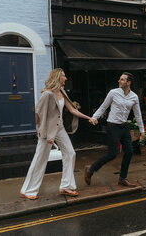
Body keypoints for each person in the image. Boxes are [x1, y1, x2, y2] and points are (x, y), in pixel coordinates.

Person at [20, 68, 95, 200]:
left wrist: (89, 118)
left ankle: (66, 186)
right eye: (64, 76)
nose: (66, 78)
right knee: (40, 159)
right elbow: (39, 116)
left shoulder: (61, 91)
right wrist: (46, 135)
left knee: (70, 153)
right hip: (47, 131)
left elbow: (72, 109)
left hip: (59, 128)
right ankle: (28, 190)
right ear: (57, 77)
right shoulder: (48, 94)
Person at [85, 72, 145, 187]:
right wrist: (94, 117)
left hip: (124, 127)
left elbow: (138, 115)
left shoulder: (134, 97)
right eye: (119, 79)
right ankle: (91, 169)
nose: (119, 81)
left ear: (128, 83)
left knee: (129, 151)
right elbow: (103, 107)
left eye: (122, 80)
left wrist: (142, 131)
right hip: (113, 126)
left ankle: (122, 178)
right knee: (112, 154)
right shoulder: (113, 93)